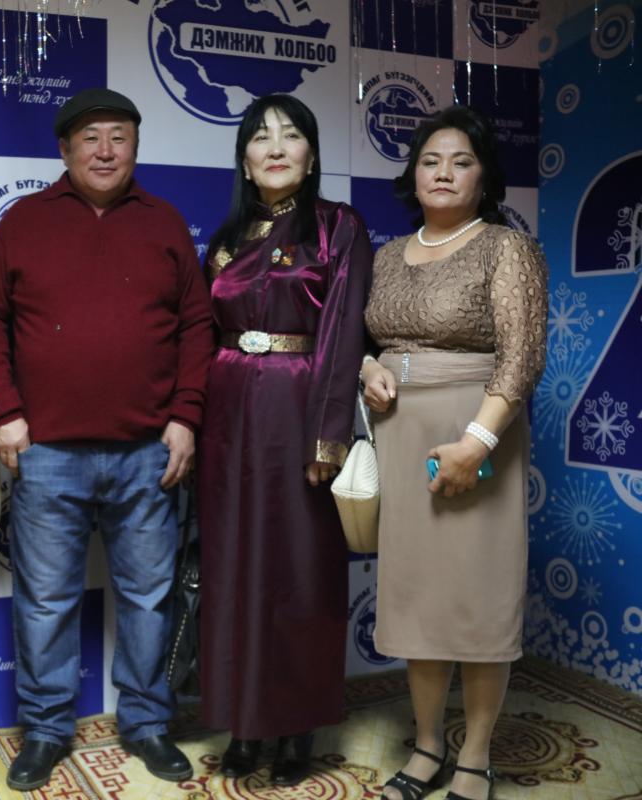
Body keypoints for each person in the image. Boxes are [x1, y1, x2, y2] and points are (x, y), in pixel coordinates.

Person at [0, 87, 215, 791]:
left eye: (119, 137)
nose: (105, 151)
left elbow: (198, 326)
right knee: (46, 601)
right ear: (65, 148)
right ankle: (46, 730)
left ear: (136, 145)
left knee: (148, 598)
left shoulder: (164, 223)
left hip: (148, 453)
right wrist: (7, 411)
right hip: (46, 451)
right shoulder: (24, 221)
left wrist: (185, 417)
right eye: (91, 138)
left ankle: (147, 723)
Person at [362, 105, 547, 800]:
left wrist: (478, 442)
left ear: (483, 176)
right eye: (430, 160)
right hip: (400, 434)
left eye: (461, 161)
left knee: (477, 594)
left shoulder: (506, 247)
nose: (443, 172)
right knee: (420, 598)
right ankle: (427, 745)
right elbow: (370, 342)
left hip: (475, 433)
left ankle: (476, 753)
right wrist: (367, 367)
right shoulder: (386, 254)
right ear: (413, 174)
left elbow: (522, 357)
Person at [196, 94, 374, 785]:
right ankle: (244, 723)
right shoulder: (224, 239)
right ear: (244, 158)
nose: (275, 147)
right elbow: (200, 335)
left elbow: (343, 333)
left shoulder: (336, 226)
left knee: (300, 571)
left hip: (299, 406)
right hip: (227, 414)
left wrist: (327, 436)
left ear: (311, 154)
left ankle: (297, 726)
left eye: (291, 135)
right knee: (234, 569)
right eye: (260, 137)